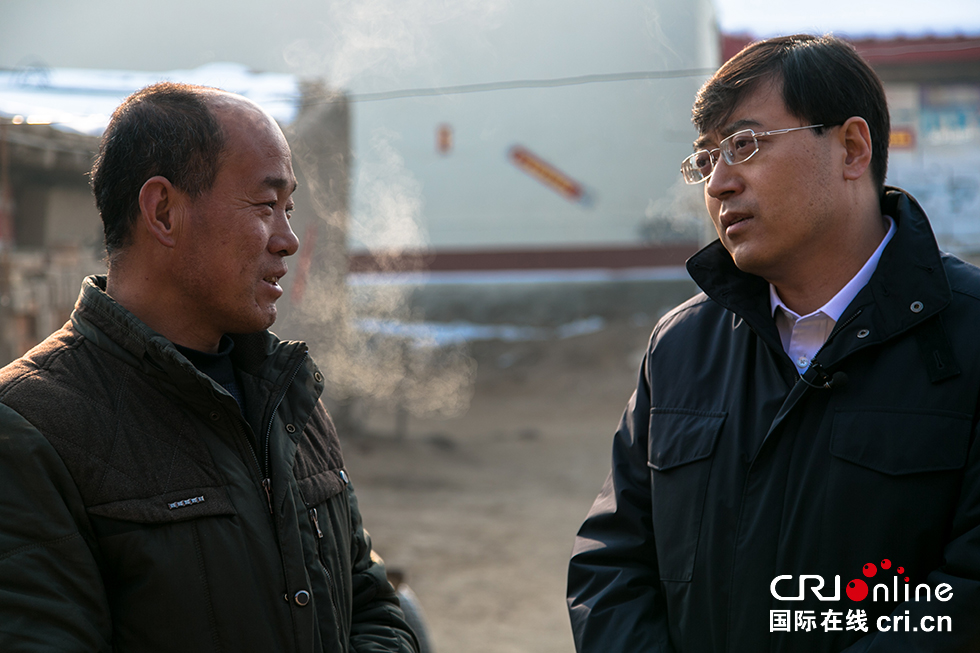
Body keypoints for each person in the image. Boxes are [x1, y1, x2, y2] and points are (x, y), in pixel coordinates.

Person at [567, 34, 980, 652]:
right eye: (706, 159)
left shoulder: (967, 336)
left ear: (851, 148)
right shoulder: (682, 346)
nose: (717, 184)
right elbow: (611, 562)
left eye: (744, 145)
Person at [0, 82, 419, 653]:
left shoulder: (286, 396)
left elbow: (371, 606)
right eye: (265, 206)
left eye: (289, 209)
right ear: (163, 212)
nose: (288, 240)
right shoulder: (30, 428)